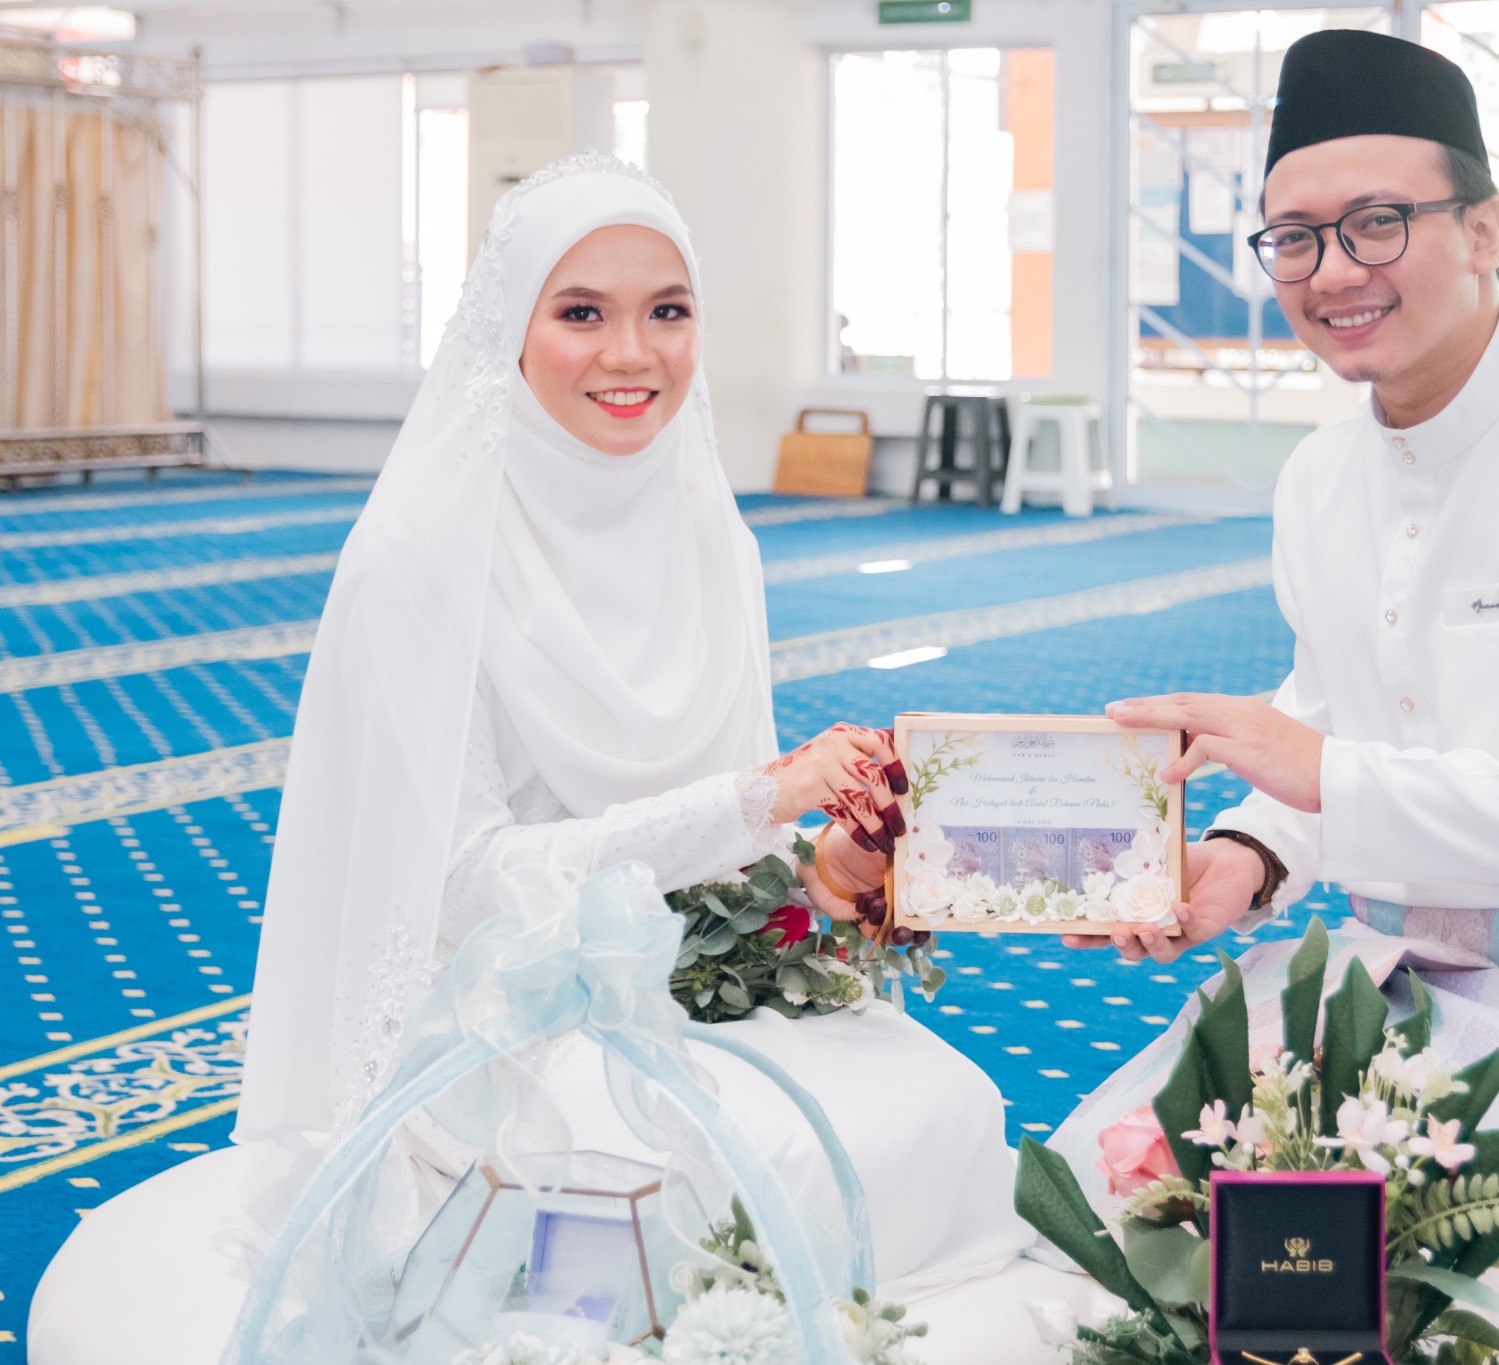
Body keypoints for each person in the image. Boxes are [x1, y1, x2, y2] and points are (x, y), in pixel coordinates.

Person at [1052, 30, 1499, 1364]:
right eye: (1294, 238)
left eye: (1376, 222)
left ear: (1484, 230)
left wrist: (1322, 774)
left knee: (1422, 1303)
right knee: (1113, 1226)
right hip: (1377, 976)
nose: (1332, 271)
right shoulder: (1318, 480)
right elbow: (1335, 715)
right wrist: (1245, 857)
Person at [233, 153, 1030, 1296]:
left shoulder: (712, 536)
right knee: (729, 1170)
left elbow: (736, 854)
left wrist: (831, 864)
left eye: (667, 311)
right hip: (504, 998)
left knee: (944, 1105)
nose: (631, 354)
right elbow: (456, 884)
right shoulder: (418, 562)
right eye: (580, 313)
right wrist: (756, 799)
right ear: (509, 332)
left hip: (693, 971)